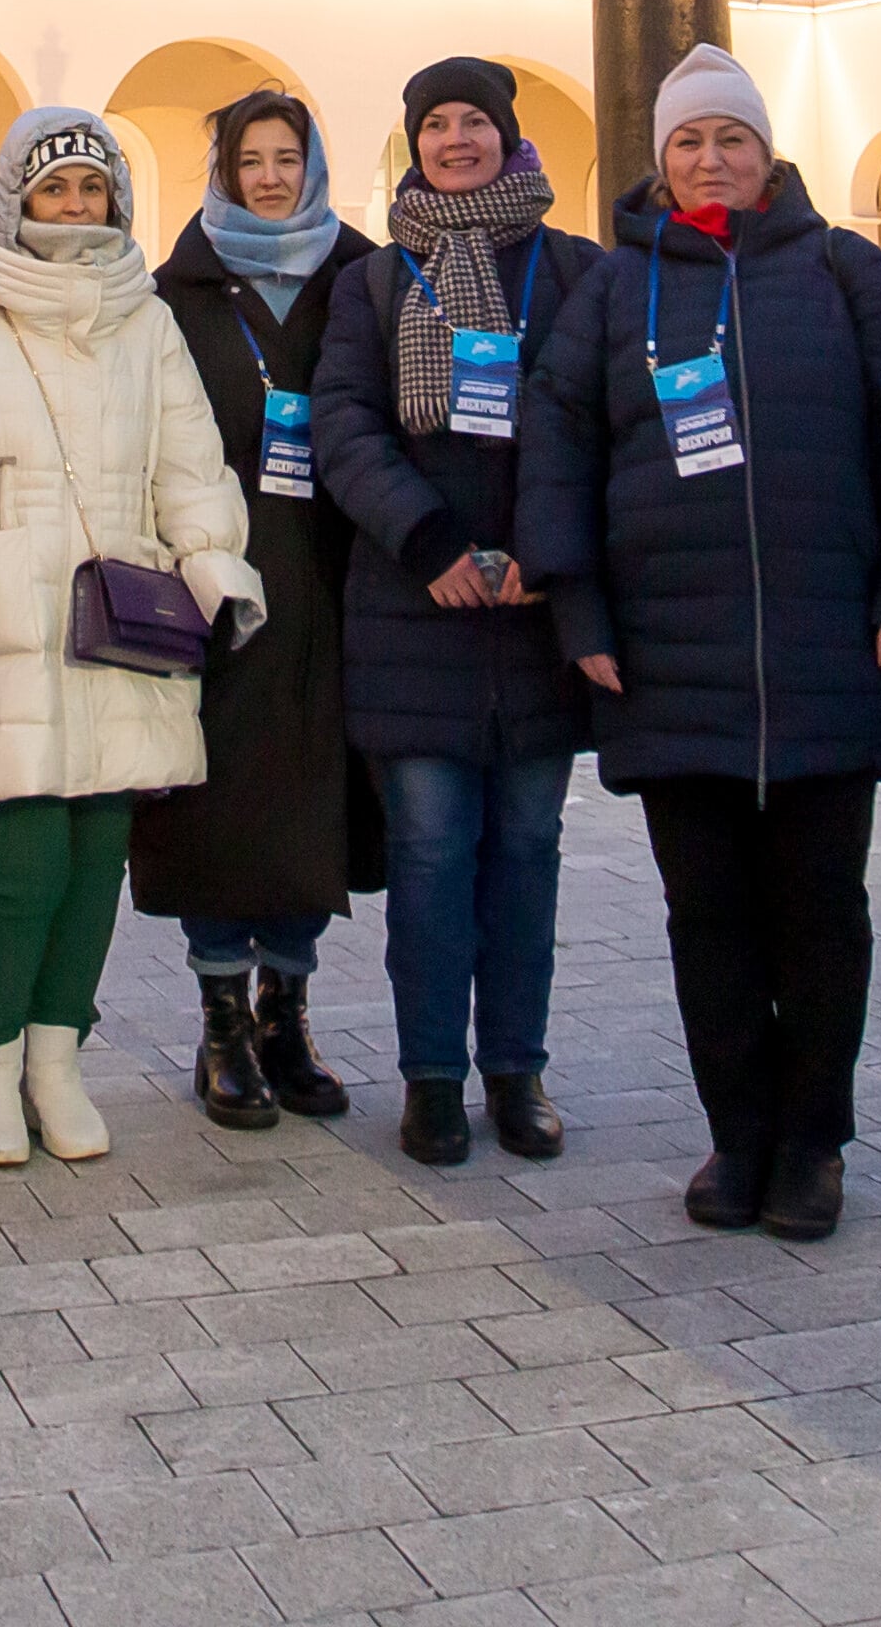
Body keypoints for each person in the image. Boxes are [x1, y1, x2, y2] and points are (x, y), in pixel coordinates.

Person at [520, 46, 881, 1243]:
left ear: (767, 152)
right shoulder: (616, 293)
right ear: (659, 164)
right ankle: (739, 1135)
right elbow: (556, 454)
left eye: (730, 138)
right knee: (707, 915)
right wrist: (579, 612)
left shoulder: (845, 271)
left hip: (832, 651)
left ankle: (813, 1141)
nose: (710, 158)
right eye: (687, 142)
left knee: (821, 913)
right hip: (669, 659)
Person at [0, 109, 264, 1167]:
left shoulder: (148, 322)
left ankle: (58, 1060)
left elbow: (190, 461)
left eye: (92, 188)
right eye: (55, 189)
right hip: (4, 618)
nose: (74, 207)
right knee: (25, 859)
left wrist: (215, 574)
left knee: (95, 861)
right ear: (16, 199)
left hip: (122, 619)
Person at [312, 57, 597, 1167]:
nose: (457, 141)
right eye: (437, 125)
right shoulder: (378, 282)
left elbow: (592, 419)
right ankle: (432, 1077)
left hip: (533, 615)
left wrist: (546, 546)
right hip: (412, 609)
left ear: (510, 139)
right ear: (414, 145)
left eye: (476, 122)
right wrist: (428, 540)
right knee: (430, 858)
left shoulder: (573, 270)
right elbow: (345, 422)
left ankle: (516, 1071)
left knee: (527, 851)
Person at [137, 86, 381, 1127]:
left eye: (288, 158)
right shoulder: (177, 291)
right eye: (252, 162)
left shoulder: (361, 277)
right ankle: (222, 1017)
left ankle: (288, 1007)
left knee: (312, 795)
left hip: (334, 576)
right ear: (224, 173)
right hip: (220, 584)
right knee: (218, 798)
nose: (270, 177)